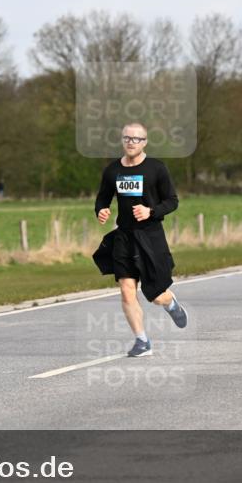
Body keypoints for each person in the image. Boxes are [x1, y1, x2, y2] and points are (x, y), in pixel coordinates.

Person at [93, 122, 188, 357]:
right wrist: (101, 210)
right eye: (127, 138)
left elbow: (172, 201)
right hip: (124, 237)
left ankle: (170, 303)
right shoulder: (113, 170)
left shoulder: (156, 168)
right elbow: (102, 198)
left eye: (136, 139)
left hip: (150, 236)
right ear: (122, 140)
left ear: (144, 142)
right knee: (127, 290)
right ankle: (142, 341)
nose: (131, 142)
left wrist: (151, 211)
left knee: (156, 295)